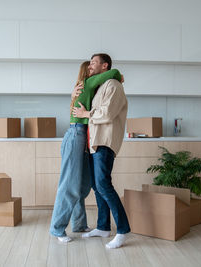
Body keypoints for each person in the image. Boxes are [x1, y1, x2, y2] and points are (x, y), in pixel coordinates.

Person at [50, 60, 123, 243]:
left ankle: (79, 224)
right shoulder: (87, 83)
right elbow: (113, 72)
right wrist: (118, 76)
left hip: (83, 136)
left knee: (82, 185)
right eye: (89, 67)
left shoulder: (89, 88)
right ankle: (57, 229)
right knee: (69, 185)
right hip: (76, 135)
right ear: (86, 71)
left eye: (93, 65)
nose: (92, 69)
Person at [72, 53, 130, 249]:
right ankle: (103, 227)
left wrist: (85, 114)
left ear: (105, 66)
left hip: (105, 143)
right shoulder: (99, 87)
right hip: (94, 143)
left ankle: (122, 230)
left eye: (94, 63)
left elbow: (108, 113)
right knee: (97, 187)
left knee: (104, 185)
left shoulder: (114, 86)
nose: (90, 66)